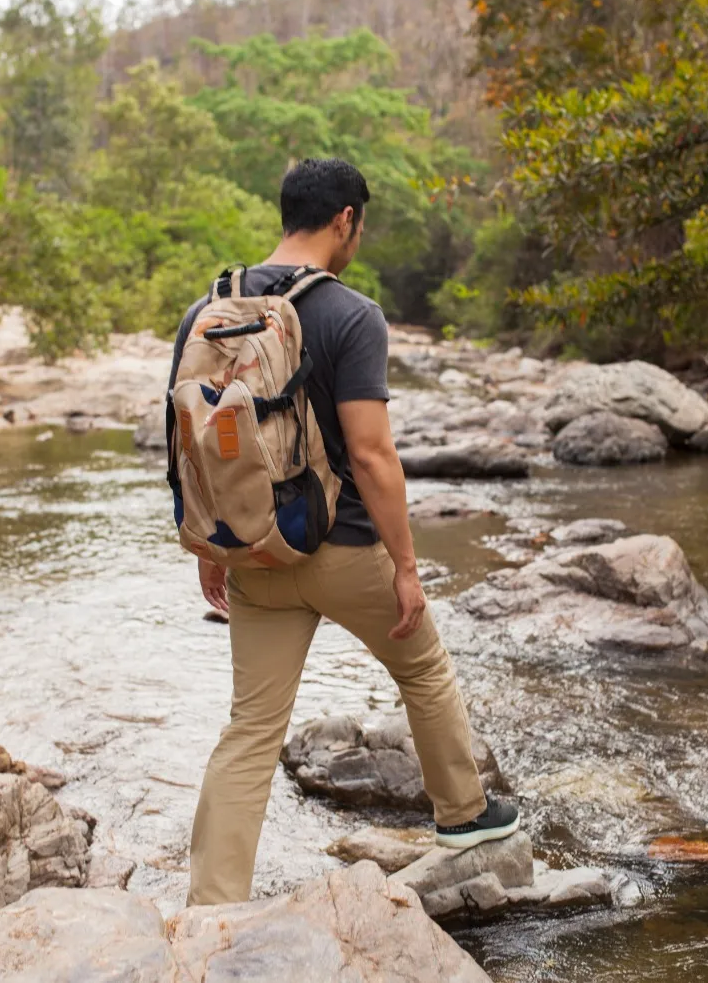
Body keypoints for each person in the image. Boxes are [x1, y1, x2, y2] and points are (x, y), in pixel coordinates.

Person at [169, 158, 519, 906]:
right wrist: (406, 564)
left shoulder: (210, 309)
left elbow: (191, 440)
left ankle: (211, 902)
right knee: (423, 670)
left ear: (286, 212)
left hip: (256, 551)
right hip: (346, 548)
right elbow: (371, 452)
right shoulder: (352, 314)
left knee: (252, 727)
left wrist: (211, 544)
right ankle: (462, 816)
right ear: (345, 221)